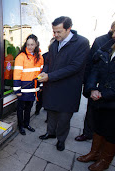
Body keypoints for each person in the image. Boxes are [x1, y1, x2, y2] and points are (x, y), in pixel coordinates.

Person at [38, 16, 90, 151]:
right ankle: (50, 132)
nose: (55, 35)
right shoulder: (54, 43)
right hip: (52, 86)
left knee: (64, 118)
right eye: (54, 31)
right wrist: (44, 72)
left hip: (68, 89)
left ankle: (61, 140)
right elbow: (48, 62)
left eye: (58, 31)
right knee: (51, 113)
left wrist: (50, 76)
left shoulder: (82, 43)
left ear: (68, 29)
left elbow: (75, 67)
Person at [77, 36, 115, 171]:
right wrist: (92, 88)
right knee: (98, 127)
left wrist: (104, 94)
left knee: (111, 133)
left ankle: (104, 161)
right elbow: (95, 70)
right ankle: (94, 153)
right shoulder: (107, 48)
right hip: (99, 98)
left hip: (111, 101)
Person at [75, 21, 115, 141]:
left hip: (110, 95)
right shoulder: (102, 42)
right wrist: (91, 87)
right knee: (91, 114)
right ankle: (88, 134)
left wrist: (105, 94)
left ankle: (102, 155)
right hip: (97, 89)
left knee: (108, 128)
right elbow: (93, 66)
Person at [13, 34, 44, 135]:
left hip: (33, 88)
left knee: (29, 108)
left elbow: (41, 73)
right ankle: (21, 126)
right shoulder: (21, 57)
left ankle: (27, 124)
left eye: (32, 44)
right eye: (28, 44)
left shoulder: (40, 57)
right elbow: (17, 74)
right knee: (20, 109)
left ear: (36, 45)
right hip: (23, 88)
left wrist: (41, 86)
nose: (30, 46)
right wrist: (17, 90)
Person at [35, 38, 55, 117]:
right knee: (40, 98)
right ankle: (37, 110)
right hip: (43, 81)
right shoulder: (45, 56)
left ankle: (48, 117)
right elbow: (41, 70)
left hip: (53, 81)